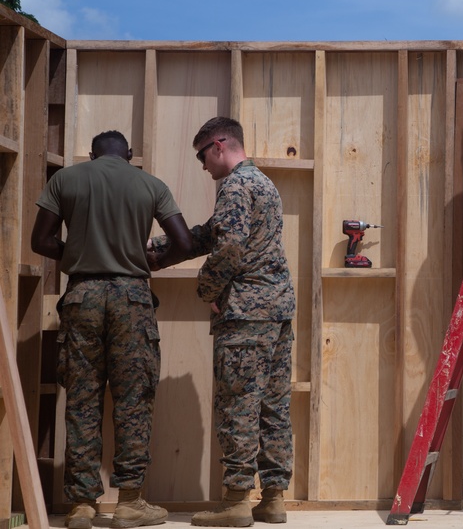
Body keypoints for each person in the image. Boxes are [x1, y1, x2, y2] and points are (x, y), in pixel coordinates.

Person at [31, 130, 193, 529]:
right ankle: (130, 503)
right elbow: (185, 242)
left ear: (91, 154)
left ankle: (82, 506)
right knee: (133, 401)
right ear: (130, 156)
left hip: (82, 295)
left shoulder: (65, 179)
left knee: (82, 399)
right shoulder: (150, 184)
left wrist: (77, 254)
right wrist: (151, 262)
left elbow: (40, 240)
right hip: (132, 299)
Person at [147, 117, 295, 527]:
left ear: (219, 145)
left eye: (201, 156)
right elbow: (210, 235)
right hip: (278, 311)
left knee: (238, 405)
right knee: (273, 406)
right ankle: (274, 498)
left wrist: (208, 290)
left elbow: (228, 248)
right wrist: (157, 248)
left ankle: (235, 502)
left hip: (246, 315)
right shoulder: (263, 183)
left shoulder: (235, 186)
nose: (202, 166)